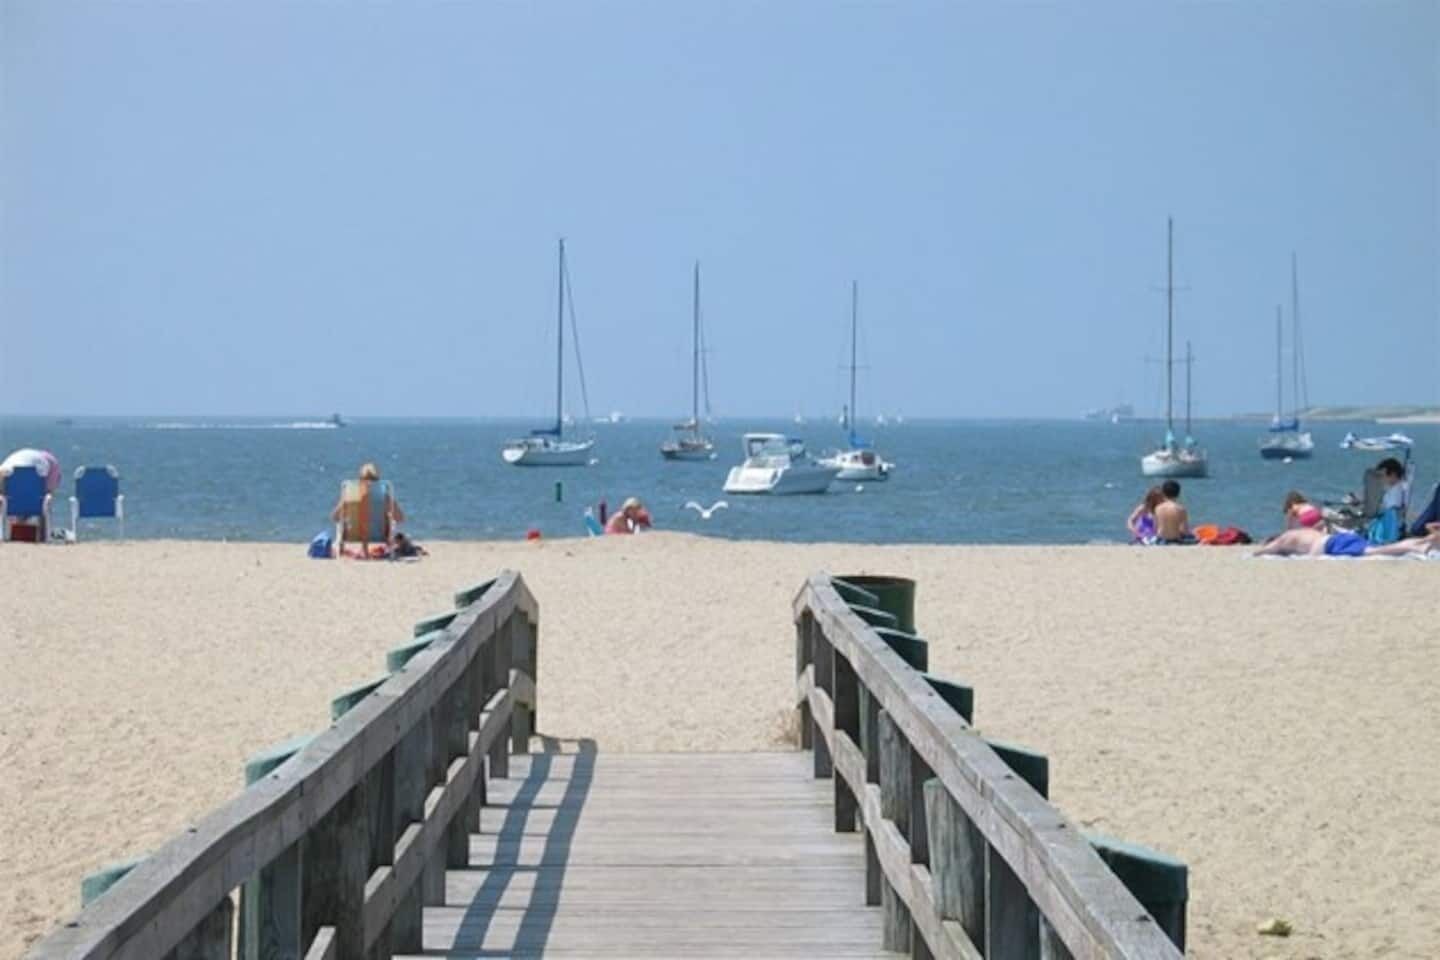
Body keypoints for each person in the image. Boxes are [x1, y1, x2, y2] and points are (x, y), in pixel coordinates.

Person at [1254, 522, 1440, 558]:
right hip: (1337, 538)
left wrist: (1256, 552)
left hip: (1331, 545)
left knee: (1376, 551)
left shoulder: (1285, 538)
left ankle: (1417, 546)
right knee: (1376, 549)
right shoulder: (1301, 532)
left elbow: (1268, 549)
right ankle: (1421, 542)